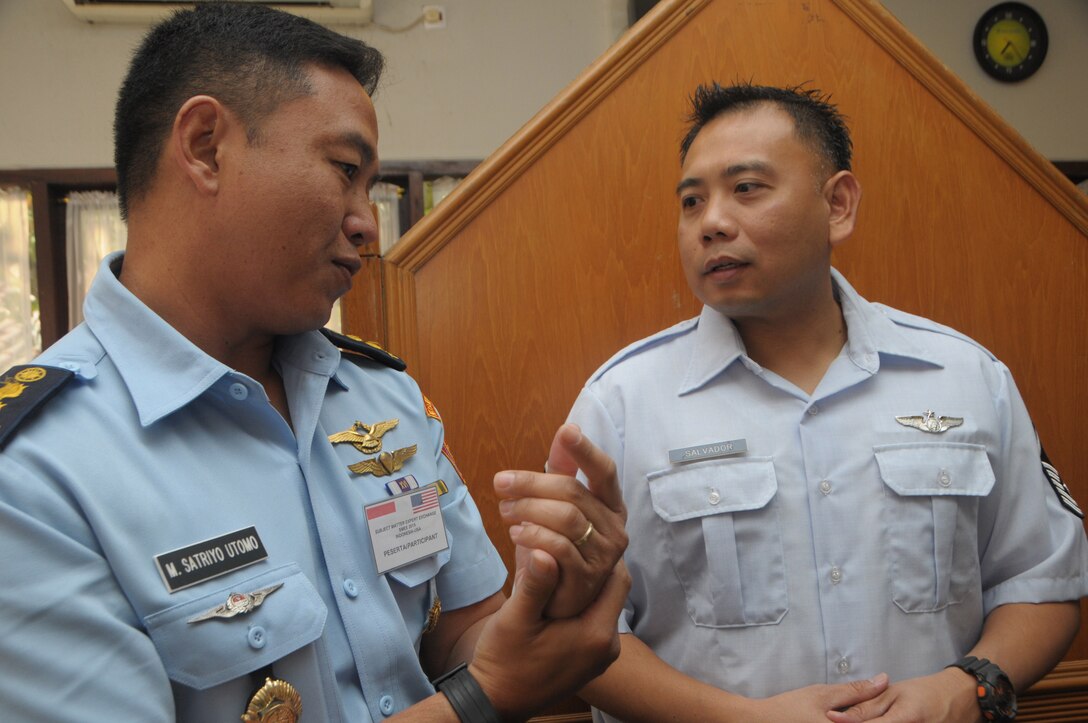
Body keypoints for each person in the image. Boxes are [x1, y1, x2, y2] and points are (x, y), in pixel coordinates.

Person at [0, 5, 630, 722]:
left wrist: (550, 608)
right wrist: (479, 700)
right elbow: (481, 684)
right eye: (344, 170)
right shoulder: (34, 474)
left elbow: (462, 629)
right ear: (205, 146)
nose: (367, 222)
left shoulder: (378, 399)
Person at [567, 82, 1088, 722]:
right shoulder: (620, 405)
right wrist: (743, 720)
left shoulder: (964, 377)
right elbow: (576, 639)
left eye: (747, 188)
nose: (712, 222)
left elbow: (1043, 584)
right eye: (691, 201)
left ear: (837, 204)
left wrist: (965, 688)